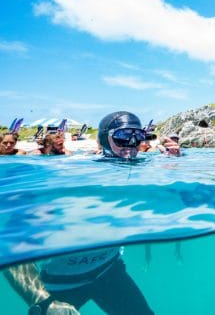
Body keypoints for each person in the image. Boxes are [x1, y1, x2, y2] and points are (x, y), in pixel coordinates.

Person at [4, 111, 154, 315]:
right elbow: (10, 244)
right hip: (60, 288)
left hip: (109, 271)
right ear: (104, 140)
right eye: (123, 136)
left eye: (138, 136)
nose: (132, 144)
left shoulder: (144, 175)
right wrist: (43, 301)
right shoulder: (69, 178)